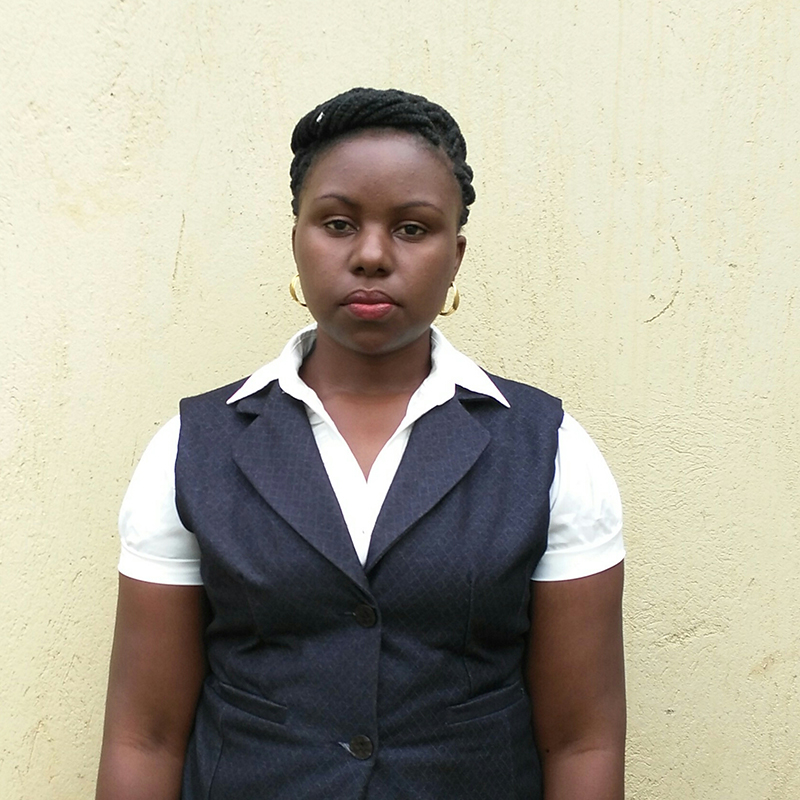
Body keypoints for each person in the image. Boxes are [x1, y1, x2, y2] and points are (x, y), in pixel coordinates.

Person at [96, 87, 626, 800]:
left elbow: (582, 740)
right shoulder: (194, 449)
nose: (372, 255)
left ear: (455, 256)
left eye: (412, 228)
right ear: (298, 239)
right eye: (339, 223)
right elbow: (145, 736)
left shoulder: (546, 448)